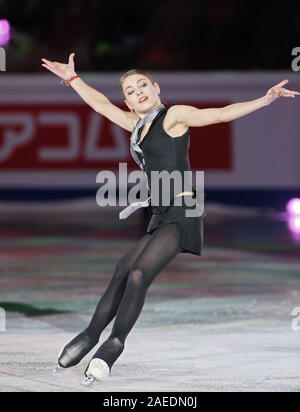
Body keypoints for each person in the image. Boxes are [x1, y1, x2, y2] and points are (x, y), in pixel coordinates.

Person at [41, 54, 299, 386]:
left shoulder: (172, 116)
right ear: (129, 103)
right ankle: (91, 333)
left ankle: (112, 347)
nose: (138, 93)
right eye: (131, 91)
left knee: (138, 273)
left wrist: (266, 99)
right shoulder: (136, 127)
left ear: (156, 88)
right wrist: (72, 79)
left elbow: (218, 115)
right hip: (160, 214)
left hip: (184, 212)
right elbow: (102, 105)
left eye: (143, 86)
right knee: (122, 270)